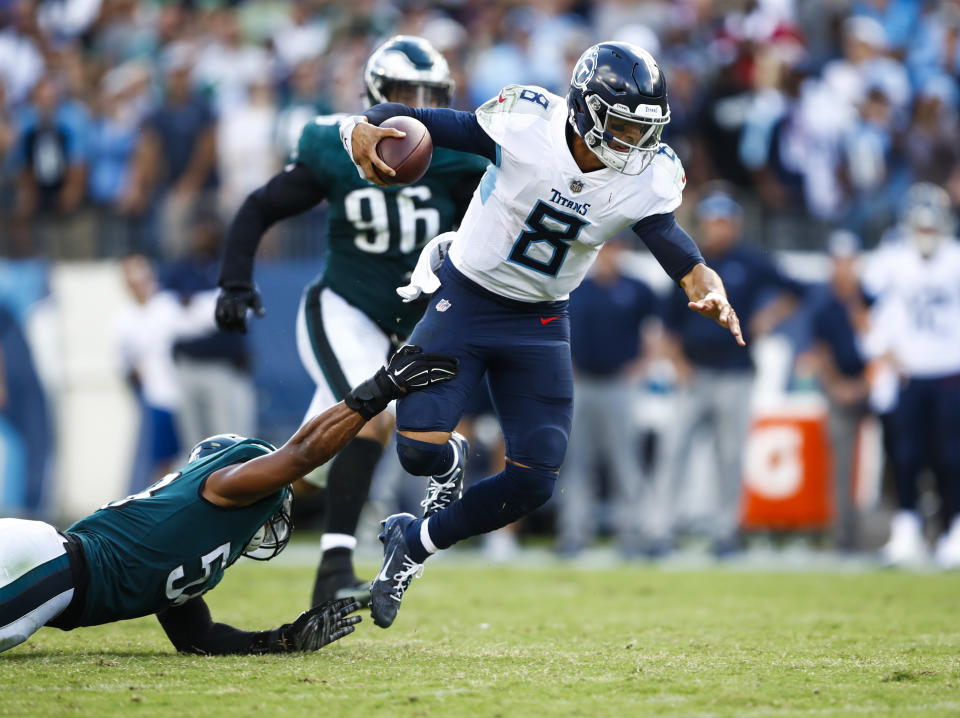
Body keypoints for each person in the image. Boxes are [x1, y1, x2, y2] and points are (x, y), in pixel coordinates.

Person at [342, 41, 744, 627]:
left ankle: (417, 544)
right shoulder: (528, 124)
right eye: (624, 127)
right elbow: (430, 124)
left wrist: (705, 284)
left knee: (535, 482)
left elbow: (674, 245)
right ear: (585, 109)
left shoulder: (645, 177)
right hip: (469, 297)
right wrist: (362, 127)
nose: (635, 144)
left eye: (644, 130)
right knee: (415, 451)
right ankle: (450, 457)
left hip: (542, 320)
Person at [215, 36, 489, 607]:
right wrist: (236, 279)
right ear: (374, 96)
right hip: (343, 305)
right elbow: (261, 205)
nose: (415, 106)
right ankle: (334, 568)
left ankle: (205, 503)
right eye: (403, 94)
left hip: (403, 324)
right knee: (371, 418)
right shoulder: (336, 142)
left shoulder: (457, 156)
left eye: (427, 96)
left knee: (305, 462)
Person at [0, 345, 458, 654]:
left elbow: (198, 638)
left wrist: (282, 639)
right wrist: (380, 390)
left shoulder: (195, 543)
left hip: (51, 573)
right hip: (50, 566)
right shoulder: (220, 486)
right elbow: (299, 455)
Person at [657, 190, 803, 558]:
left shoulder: (751, 262)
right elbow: (668, 323)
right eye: (713, 221)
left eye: (724, 221)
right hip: (695, 374)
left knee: (729, 457)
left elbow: (796, 289)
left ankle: (726, 533)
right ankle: (659, 529)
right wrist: (678, 364)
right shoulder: (690, 263)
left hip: (736, 373)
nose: (718, 229)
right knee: (673, 453)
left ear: (735, 224)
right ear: (704, 223)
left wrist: (767, 319)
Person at [863, 183, 960, 568]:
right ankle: (907, 531)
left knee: (951, 458)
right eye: (920, 228)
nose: (926, 235)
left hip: (950, 371)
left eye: (931, 227)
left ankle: (953, 531)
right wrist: (880, 348)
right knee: (905, 456)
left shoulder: (955, 258)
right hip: (907, 373)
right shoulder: (892, 259)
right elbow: (866, 305)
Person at [558, 239, 659, 557]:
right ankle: (574, 532)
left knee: (625, 459)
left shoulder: (638, 289)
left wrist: (642, 367)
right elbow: (560, 332)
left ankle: (633, 532)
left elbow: (655, 333)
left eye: (616, 248)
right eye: (605, 249)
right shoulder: (577, 288)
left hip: (619, 384)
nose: (610, 255)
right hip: (583, 382)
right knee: (578, 460)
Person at [808, 230, 871, 551]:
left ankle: (902, 532)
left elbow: (883, 346)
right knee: (842, 464)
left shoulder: (873, 298)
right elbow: (822, 353)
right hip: (841, 386)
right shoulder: (824, 306)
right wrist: (839, 387)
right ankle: (845, 538)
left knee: (899, 455)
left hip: (876, 384)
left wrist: (865, 384)